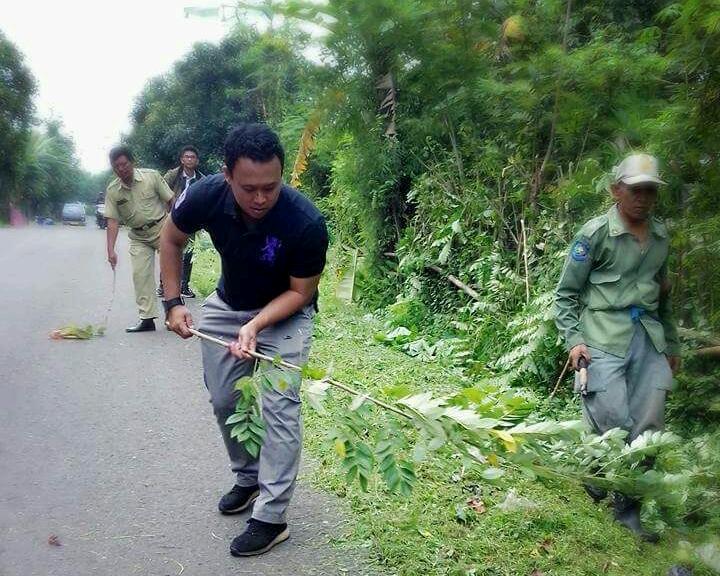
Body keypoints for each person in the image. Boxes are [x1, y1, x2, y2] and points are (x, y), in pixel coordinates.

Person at [160, 123, 328, 556]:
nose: (259, 199)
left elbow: (300, 292)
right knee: (225, 400)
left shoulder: (305, 221)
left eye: (270, 188)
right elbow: (171, 237)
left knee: (279, 408)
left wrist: (255, 326)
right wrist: (173, 302)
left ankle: (271, 518)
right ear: (227, 176)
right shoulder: (206, 194)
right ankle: (248, 477)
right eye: (248, 188)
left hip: (285, 313)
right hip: (228, 302)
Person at [554, 152, 681, 541]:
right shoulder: (595, 234)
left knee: (648, 430)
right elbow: (566, 295)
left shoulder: (660, 238)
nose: (643, 198)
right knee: (612, 419)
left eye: (649, 191)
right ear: (616, 190)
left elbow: (663, 298)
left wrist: (672, 344)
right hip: (602, 336)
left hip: (648, 338)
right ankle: (595, 472)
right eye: (635, 189)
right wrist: (574, 341)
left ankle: (628, 514)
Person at [105, 145, 174, 332]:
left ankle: (173, 314)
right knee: (140, 275)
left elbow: (171, 201)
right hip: (138, 236)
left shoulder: (151, 177)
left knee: (169, 272)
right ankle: (147, 319)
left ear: (132, 162)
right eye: (117, 167)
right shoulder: (113, 190)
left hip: (163, 229)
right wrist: (110, 250)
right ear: (113, 168)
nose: (121, 169)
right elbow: (112, 221)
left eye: (124, 164)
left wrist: (177, 228)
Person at [161, 145, 206, 298]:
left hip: (192, 220)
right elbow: (161, 191)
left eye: (192, 157)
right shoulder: (172, 175)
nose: (189, 159)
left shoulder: (202, 180)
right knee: (170, 250)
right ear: (181, 159)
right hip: (172, 218)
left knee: (189, 253)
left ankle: (184, 286)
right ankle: (163, 285)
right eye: (186, 157)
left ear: (197, 160)